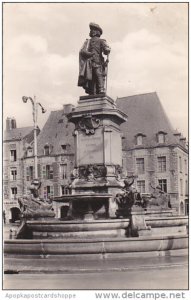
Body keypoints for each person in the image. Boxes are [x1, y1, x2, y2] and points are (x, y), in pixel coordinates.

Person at [78, 22, 111, 95]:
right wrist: (88, 54)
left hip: (98, 62)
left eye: (93, 30)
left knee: (98, 74)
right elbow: (82, 51)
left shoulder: (101, 41)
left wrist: (107, 49)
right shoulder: (87, 41)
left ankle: (101, 89)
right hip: (89, 63)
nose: (91, 31)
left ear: (97, 32)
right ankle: (92, 91)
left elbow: (106, 50)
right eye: (91, 30)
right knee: (91, 77)